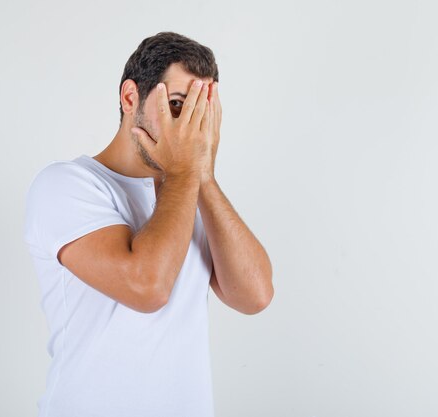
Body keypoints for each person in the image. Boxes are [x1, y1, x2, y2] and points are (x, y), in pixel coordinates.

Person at [23, 31, 273, 417]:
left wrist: (202, 175)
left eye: (200, 112)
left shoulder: (186, 187)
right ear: (130, 98)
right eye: (177, 105)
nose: (189, 127)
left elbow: (255, 295)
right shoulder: (66, 185)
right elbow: (147, 288)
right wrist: (187, 173)